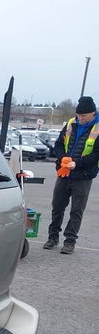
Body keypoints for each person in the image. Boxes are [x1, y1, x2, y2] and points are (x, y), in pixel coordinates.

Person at [43, 95, 99, 254]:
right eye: (78, 115)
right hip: (64, 173)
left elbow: (96, 154)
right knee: (57, 207)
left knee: (76, 210)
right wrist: (62, 158)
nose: (80, 118)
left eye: (83, 116)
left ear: (92, 113)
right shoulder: (71, 124)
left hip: (83, 176)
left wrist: (77, 163)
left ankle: (70, 241)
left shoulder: (98, 129)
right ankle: (52, 238)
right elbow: (59, 144)